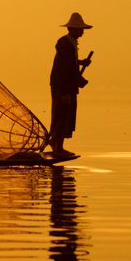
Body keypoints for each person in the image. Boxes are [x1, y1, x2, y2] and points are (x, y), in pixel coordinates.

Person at [48, 12, 93, 159]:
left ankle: (57, 146)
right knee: (61, 116)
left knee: (64, 116)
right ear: (72, 29)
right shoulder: (66, 44)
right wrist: (64, 93)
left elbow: (69, 64)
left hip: (65, 86)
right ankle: (57, 148)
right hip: (62, 87)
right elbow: (64, 70)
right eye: (80, 29)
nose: (82, 32)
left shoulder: (70, 44)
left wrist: (81, 62)